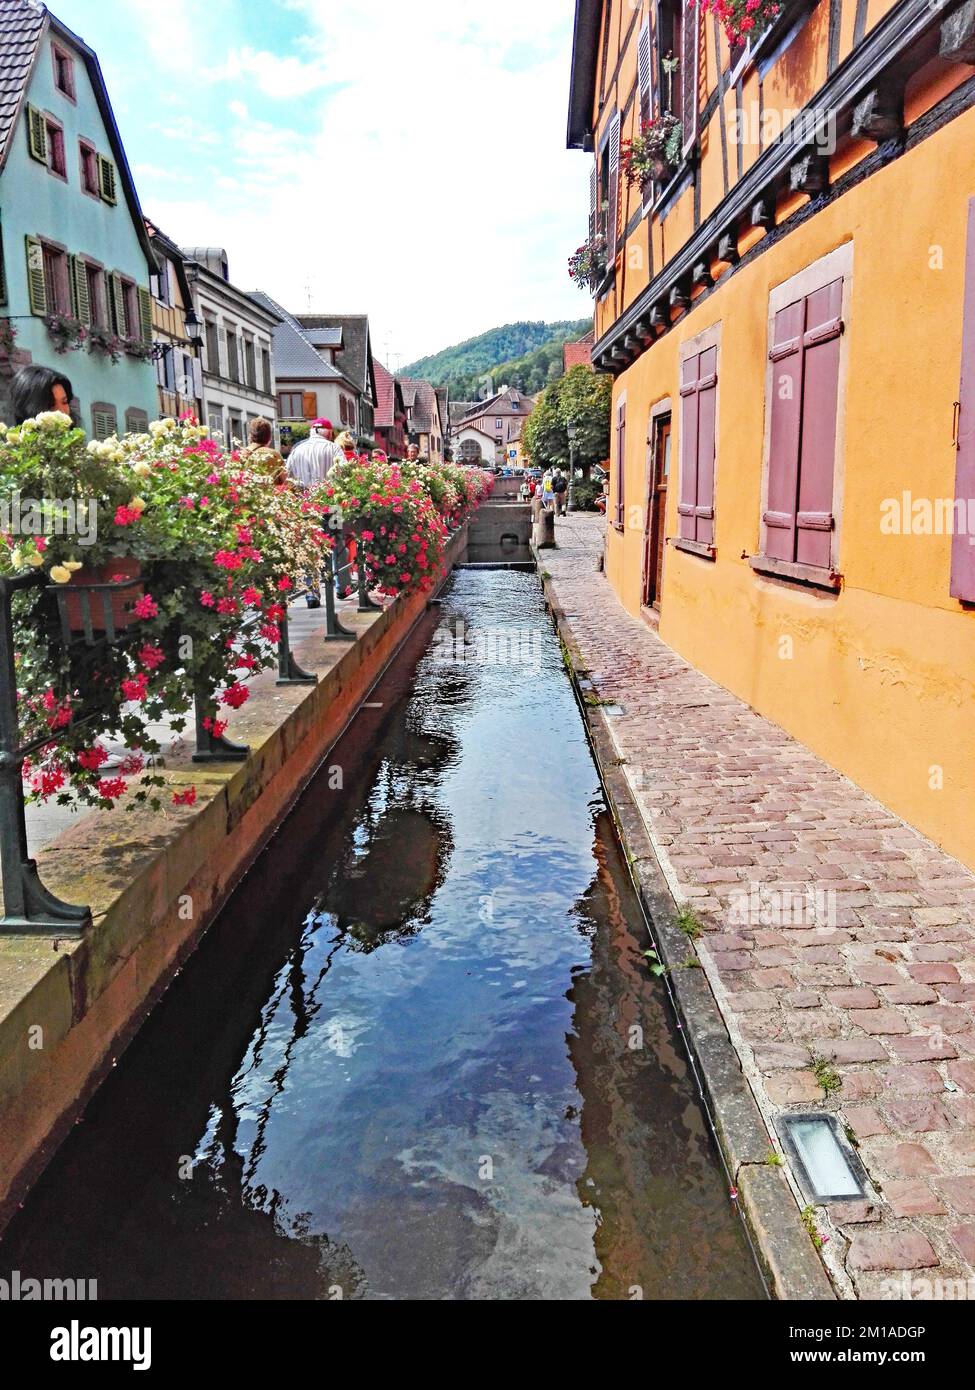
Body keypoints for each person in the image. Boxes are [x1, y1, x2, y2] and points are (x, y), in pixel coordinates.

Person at [286, 419, 337, 490]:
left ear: (311, 431)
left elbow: (286, 474)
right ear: (329, 432)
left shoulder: (297, 449)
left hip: (302, 497)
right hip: (328, 497)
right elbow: (344, 470)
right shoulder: (334, 448)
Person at [240, 418, 287, 483]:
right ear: (269, 437)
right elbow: (286, 481)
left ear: (250, 436)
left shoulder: (241, 454)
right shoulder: (274, 455)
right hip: (270, 492)